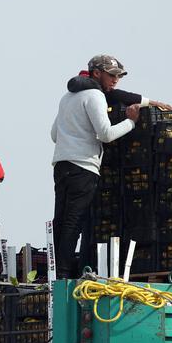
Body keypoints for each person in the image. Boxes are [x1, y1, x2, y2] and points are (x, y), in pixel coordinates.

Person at [51, 55, 139, 279]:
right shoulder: (95, 96)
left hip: (61, 164)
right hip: (84, 167)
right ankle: (64, 274)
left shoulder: (67, 97)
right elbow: (106, 134)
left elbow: (54, 134)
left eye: (118, 76)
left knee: (60, 220)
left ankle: (58, 272)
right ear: (97, 73)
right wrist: (130, 122)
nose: (116, 80)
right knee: (74, 221)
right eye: (112, 75)